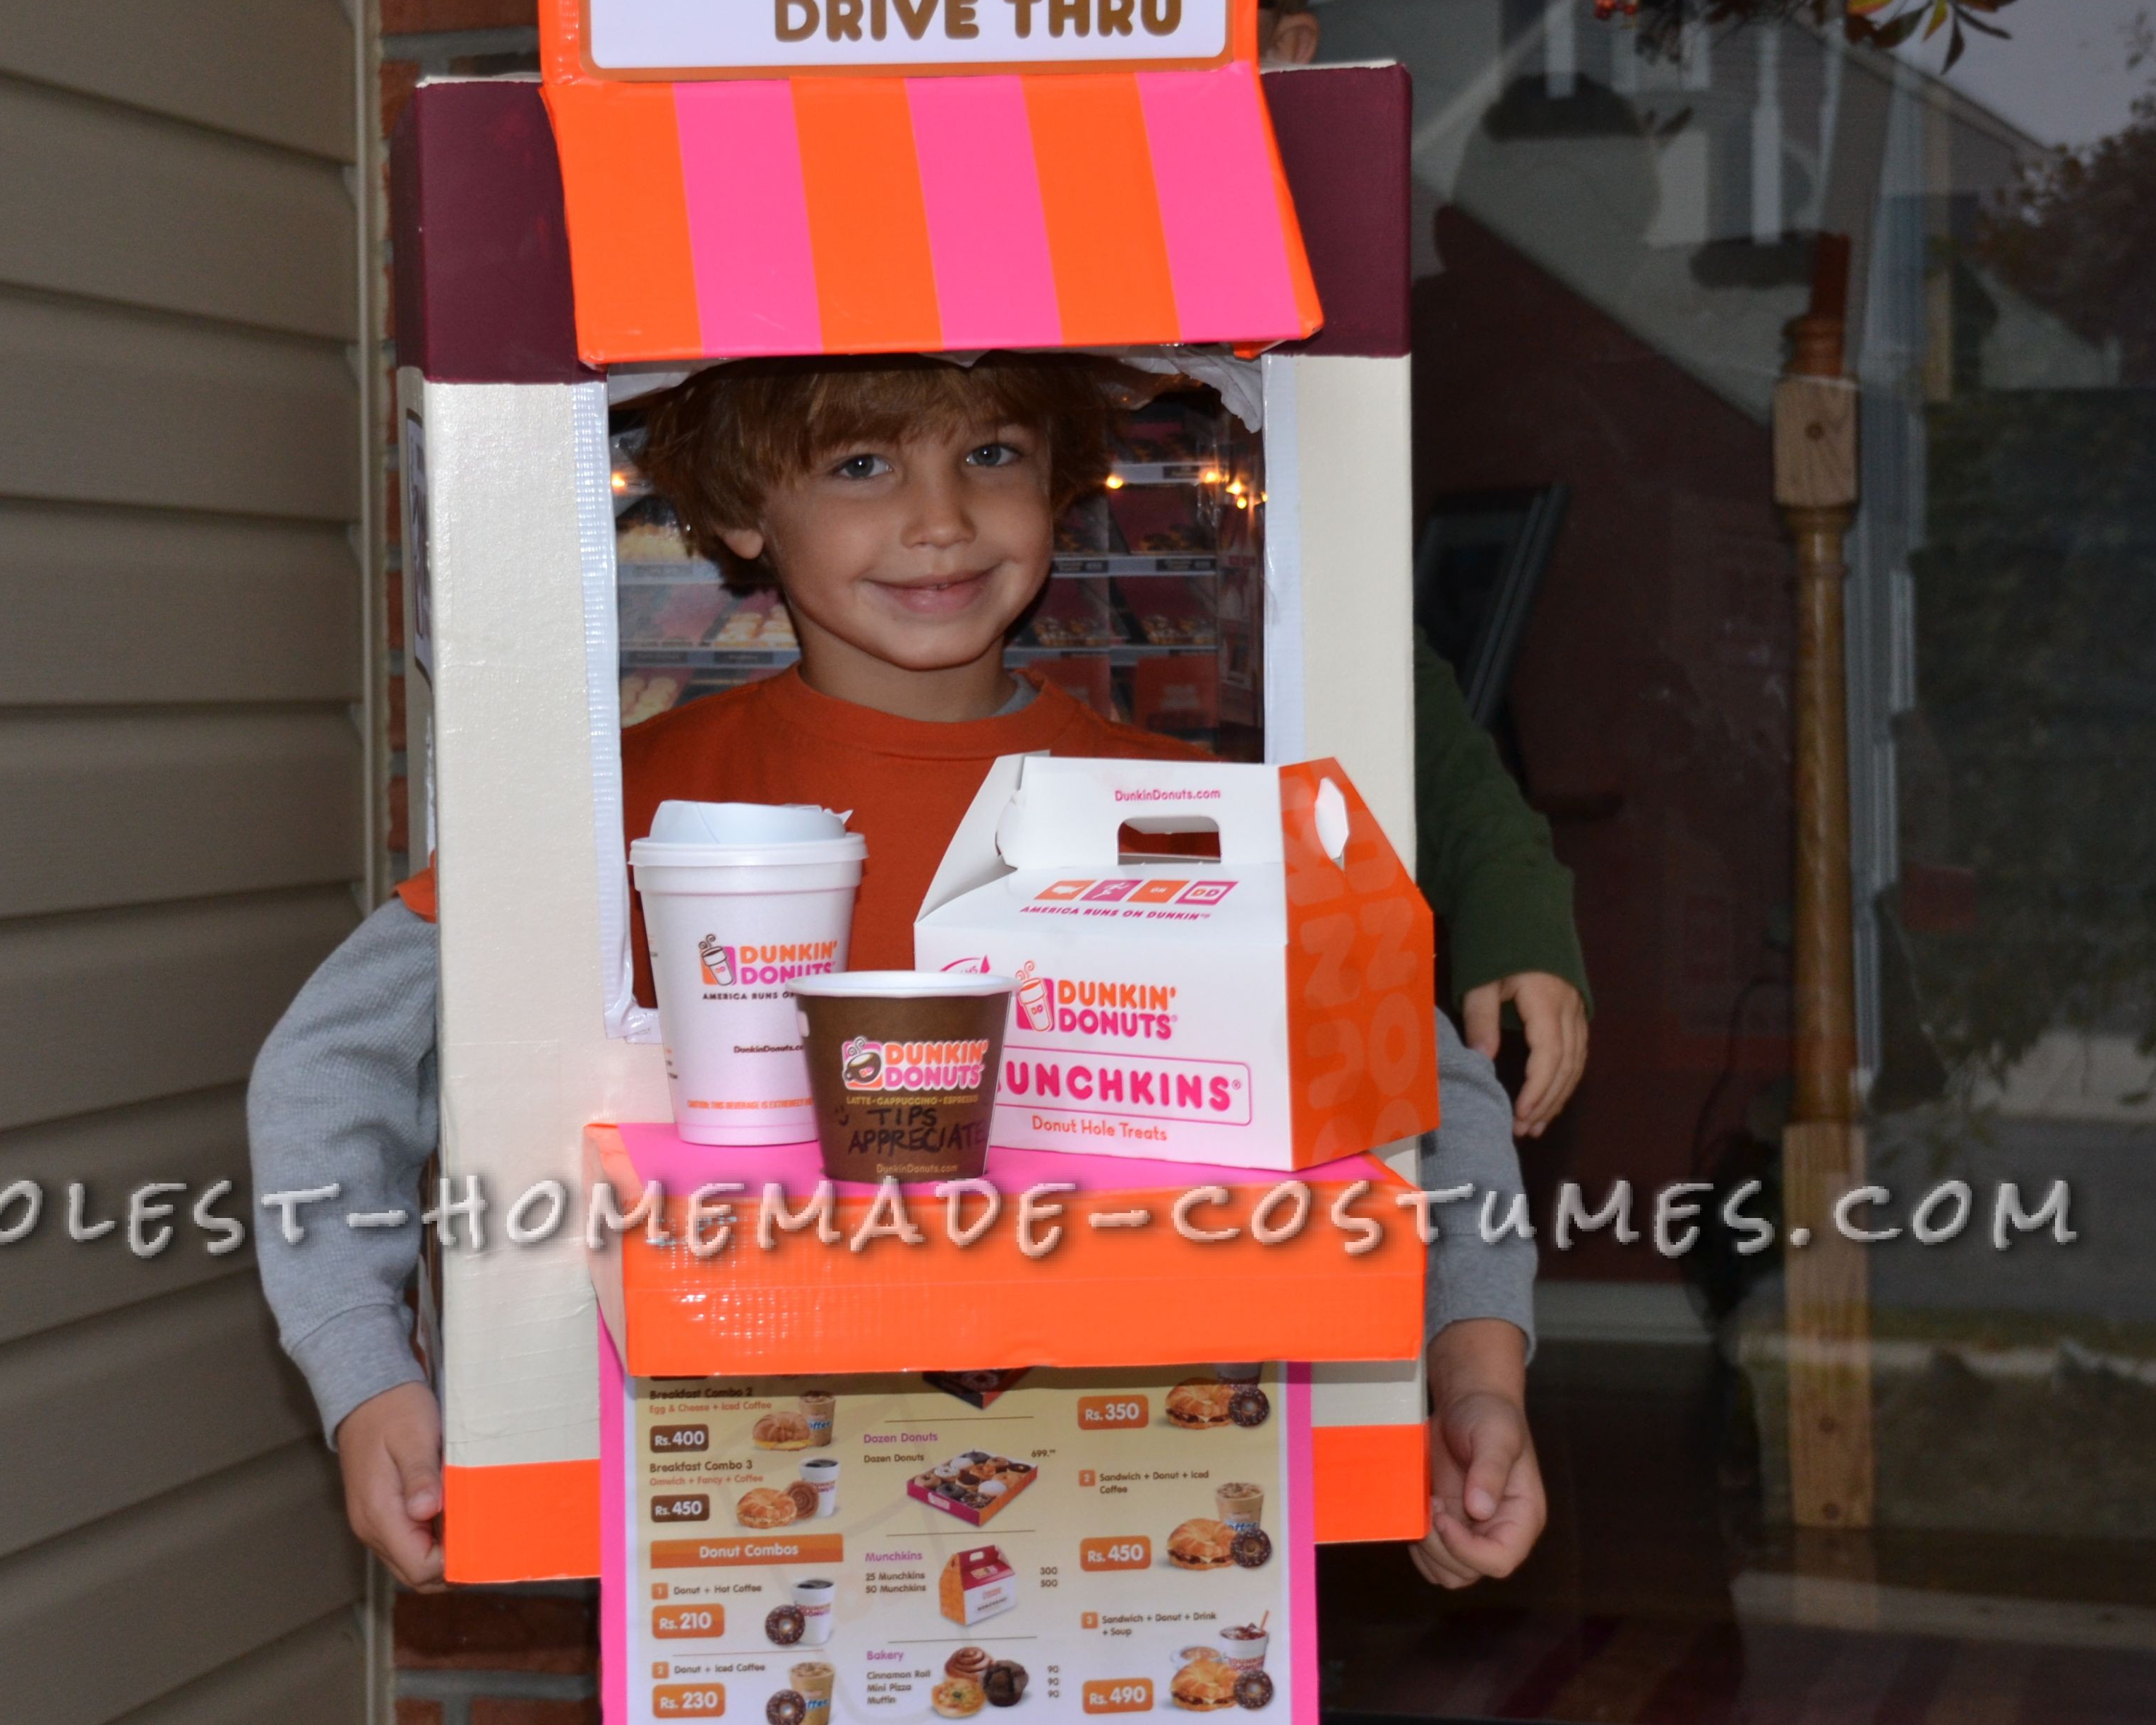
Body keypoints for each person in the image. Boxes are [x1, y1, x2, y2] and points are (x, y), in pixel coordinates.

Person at [252, 354, 1555, 1596]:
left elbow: (1429, 1096)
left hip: (1143, 1535)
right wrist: (369, 1371)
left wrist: (1475, 1372)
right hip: (725, 1533)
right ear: (744, 511)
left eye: (990, 453)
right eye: (862, 464)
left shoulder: (1182, 816)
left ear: (1057, 485)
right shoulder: (615, 810)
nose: (940, 520)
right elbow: (335, 1060)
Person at [1253, 0, 1594, 1140]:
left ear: (1287, 45)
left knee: (1445, 1118)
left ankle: (1476, 1364)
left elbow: (1379, 676)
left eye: (1204, 4)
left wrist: (1513, 912)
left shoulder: (1296, 333)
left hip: (1208, 953)